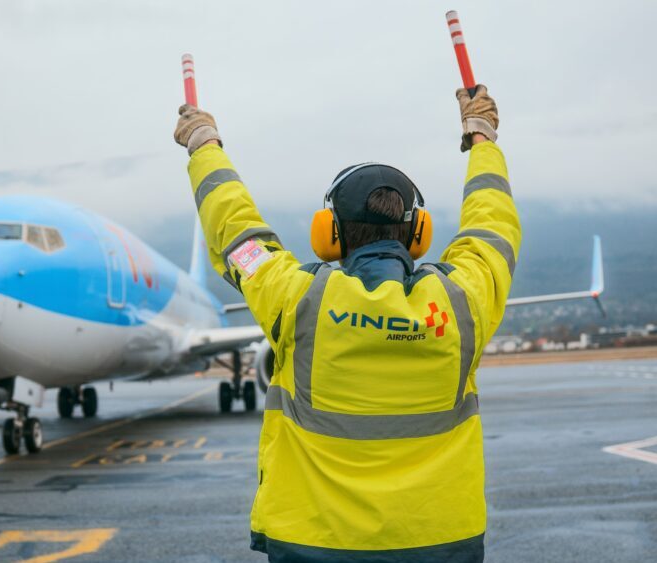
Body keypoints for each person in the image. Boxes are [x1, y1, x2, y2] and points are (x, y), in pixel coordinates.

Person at [173, 85, 519, 562]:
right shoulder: (462, 303)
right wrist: (483, 140)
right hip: (442, 543)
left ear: (328, 235)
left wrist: (203, 144)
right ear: (419, 234)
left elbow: (237, 231)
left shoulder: (297, 300)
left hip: (313, 545)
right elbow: (492, 228)